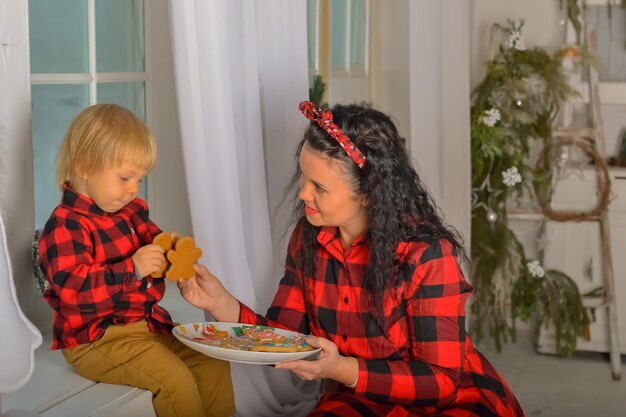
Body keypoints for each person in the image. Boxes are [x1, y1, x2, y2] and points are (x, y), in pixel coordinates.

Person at [179, 101, 525, 417]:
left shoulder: (427, 255)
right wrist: (221, 303)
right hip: (361, 398)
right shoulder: (309, 238)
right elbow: (286, 341)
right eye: (302, 175)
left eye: (320, 187)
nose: (302, 193)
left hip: (448, 401)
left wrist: (341, 369)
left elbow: (440, 381)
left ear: (369, 195)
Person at [38, 103, 235, 417]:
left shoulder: (131, 212)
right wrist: (133, 268)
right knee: (174, 380)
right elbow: (73, 289)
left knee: (211, 359)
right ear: (85, 166)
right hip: (97, 338)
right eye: (125, 178)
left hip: (147, 326)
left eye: (138, 180)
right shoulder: (67, 226)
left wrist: (175, 262)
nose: (132, 190)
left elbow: (159, 244)